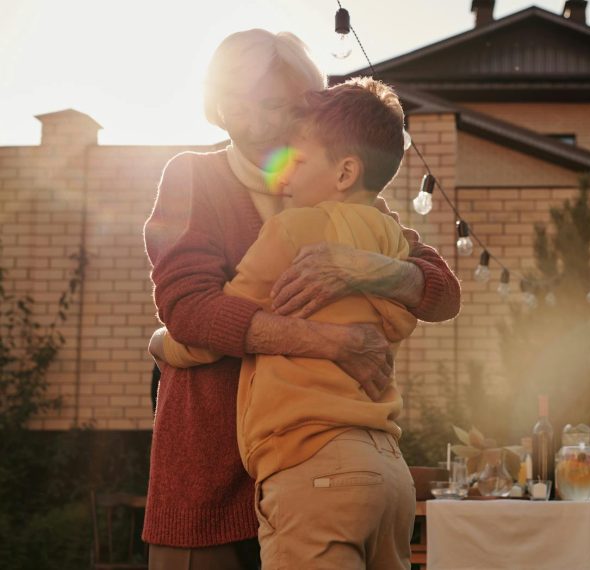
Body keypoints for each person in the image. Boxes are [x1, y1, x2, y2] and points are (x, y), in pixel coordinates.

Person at [143, 30, 460, 570]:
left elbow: (442, 293)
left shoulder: (341, 195)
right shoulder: (194, 176)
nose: (273, 122)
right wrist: (330, 340)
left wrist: (367, 268)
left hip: (317, 466)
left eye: (286, 106)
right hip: (211, 465)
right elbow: (189, 308)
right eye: (253, 105)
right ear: (221, 107)